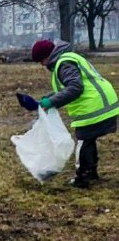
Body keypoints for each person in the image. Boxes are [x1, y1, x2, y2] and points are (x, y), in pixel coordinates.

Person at [31, 39, 119, 188]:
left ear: (47, 56)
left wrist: (52, 102)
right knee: (89, 139)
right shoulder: (67, 58)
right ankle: (91, 172)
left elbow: (75, 88)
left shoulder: (64, 64)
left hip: (94, 106)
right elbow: (68, 87)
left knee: (83, 141)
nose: (42, 65)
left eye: (41, 61)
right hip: (104, 102)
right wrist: (50, 98)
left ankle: (82, 177)